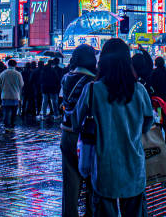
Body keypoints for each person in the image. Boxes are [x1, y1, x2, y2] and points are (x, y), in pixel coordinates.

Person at [74, 39, 153, 217]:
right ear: (127, 61)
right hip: (133, 165)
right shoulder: (139, 90)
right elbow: (148, 122)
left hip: (103, 168)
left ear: (102, 61)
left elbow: (75, 123)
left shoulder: (92, 90)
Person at [60, 45, 98, 217]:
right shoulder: (94, 81)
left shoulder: (67, 77)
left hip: (67, 134)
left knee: (70, 182)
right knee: (92, 179)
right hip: (87, 136)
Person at [0, 59, 23, 129]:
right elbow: (21, 85)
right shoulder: (18, 74)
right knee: (14, 112)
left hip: (5, 95)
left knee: (6, 111)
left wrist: (0, 91)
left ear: (8, 65)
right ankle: (12, 124)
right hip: (15, 96)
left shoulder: (3, 73)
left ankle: (6, 125)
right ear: (15, 65)